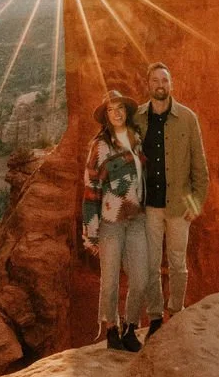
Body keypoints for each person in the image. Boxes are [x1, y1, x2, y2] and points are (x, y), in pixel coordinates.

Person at [133, 63, 209, 336]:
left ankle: (176, 311)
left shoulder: (188, 118)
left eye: (164, 79)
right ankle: (155, 318)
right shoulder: (139, 118)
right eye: (155, 80)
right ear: (149, 84)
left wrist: (195, 204)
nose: (160, 84)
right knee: (152, 264)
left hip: (178, 206)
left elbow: (199, 166)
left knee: (177, 263)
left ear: (171, 84)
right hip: (149, 207)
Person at [82, 89, 148, 351]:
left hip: (137, 219)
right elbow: (91, 189)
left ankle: (131, 327)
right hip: (111, 221)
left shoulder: (136, 140)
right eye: (111, 110)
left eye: (120, 108)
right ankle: (112, 329)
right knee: (110, 280)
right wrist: (91, 231)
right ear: (106, 116)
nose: (117, 113)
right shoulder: (99, 147)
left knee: (140, 277)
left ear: (126, 112)